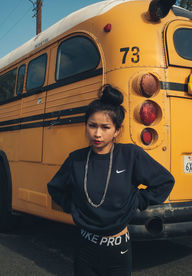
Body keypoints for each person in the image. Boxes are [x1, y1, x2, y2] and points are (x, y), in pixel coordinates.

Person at [47, 84, 174, 276]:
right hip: (84, 248)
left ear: (116, 130)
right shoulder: (76, 159)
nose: (97, 133)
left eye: (105, 127)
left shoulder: (130, 155)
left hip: (118, 249)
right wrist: (75, 207)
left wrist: (137, 202)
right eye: (92, 126)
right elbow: (55, 188)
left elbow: (164, 181)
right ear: (86, 126)